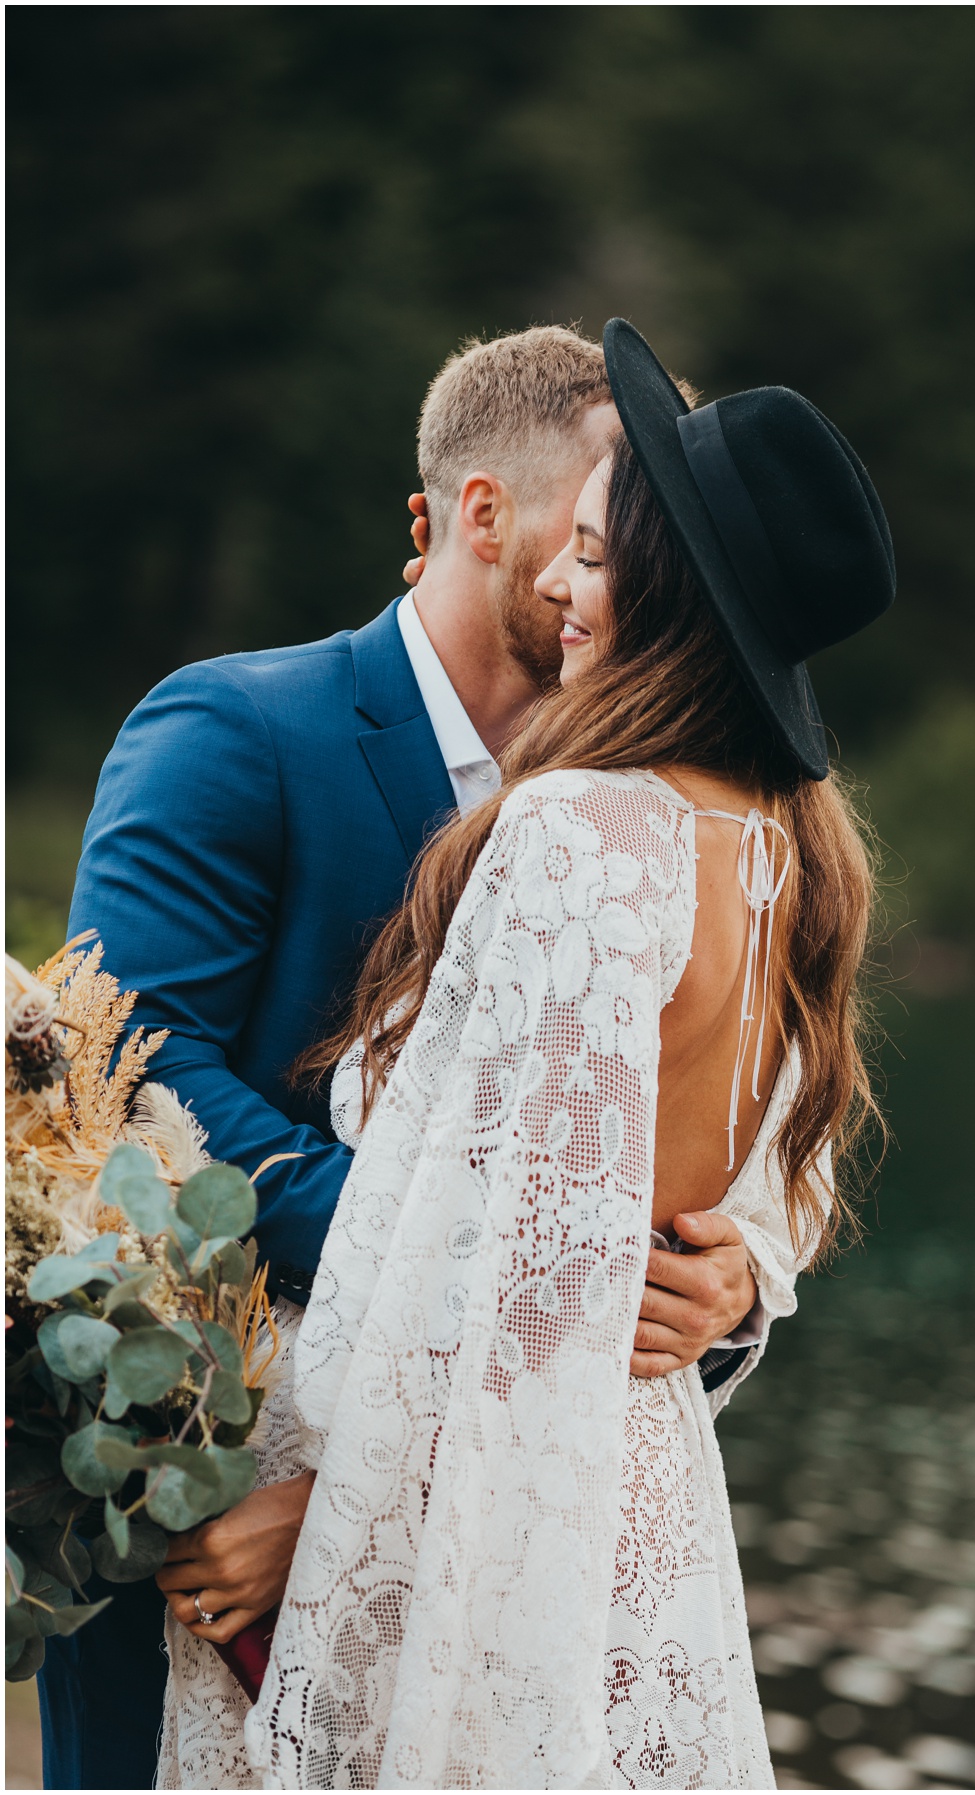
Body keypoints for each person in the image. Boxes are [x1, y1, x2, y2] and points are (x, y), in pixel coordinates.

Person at [169, 318, 895, 1789]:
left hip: (465, 1525)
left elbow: (482, 1276)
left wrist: (327, 1507)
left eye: (604, 556)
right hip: (632, 1505)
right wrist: (743, 1258)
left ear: (673, 593)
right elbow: (744, 1190)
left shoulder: (581, 835)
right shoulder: (798, 863)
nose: (564, 582)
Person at [42, 327, 763, 1791]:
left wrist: (717, 1284)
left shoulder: (637, 815)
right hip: (214, 1507)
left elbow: (659, 1143)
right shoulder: (232, 730)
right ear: (486, 517)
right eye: (604, 527)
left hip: (485, 1574)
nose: (605, 574)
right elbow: (134, 1071)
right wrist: (490, 1273)